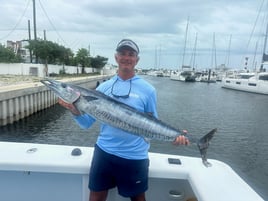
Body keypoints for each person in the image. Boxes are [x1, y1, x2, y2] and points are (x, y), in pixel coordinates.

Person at [58, 39, 189, 201]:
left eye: (131, 54)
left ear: (137, 60)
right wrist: (73, 110)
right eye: (122, 53)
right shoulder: (103, 88)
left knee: (137, 198)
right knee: (96, 196)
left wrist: (174, 136)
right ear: (116, 57)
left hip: (134, 157)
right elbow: (86, 124)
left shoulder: (148, 90)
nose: (126, 57)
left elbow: (152, 123)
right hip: (104, 153)